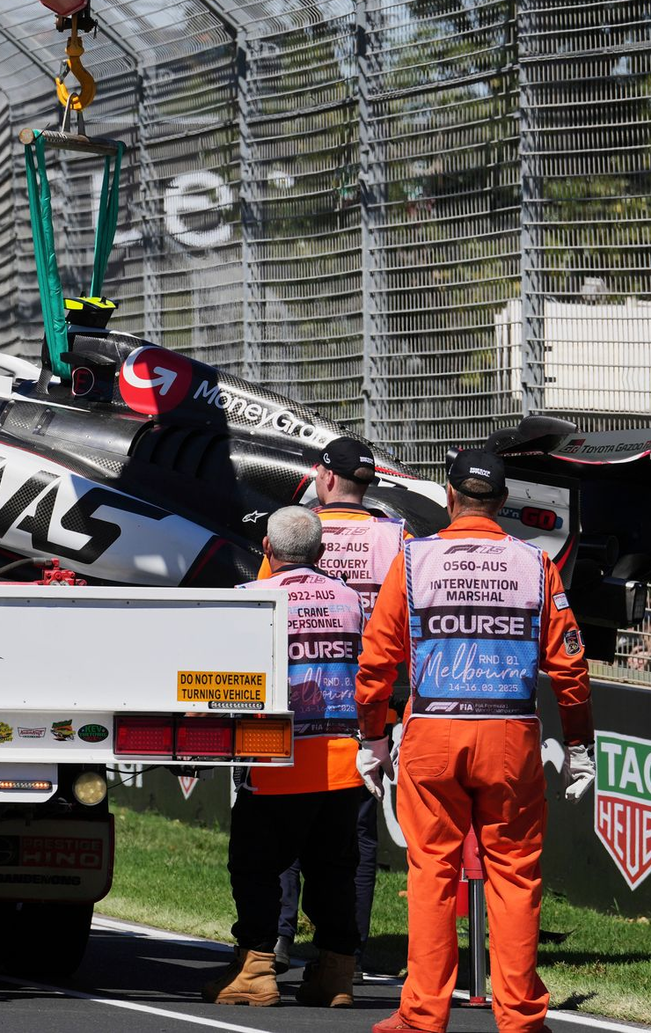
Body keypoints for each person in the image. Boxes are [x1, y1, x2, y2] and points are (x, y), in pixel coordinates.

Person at [355, 448, 595, 1033]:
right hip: (510, 732)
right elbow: (570, 667)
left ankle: (421, 1015)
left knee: (431, 871)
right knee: (515, 874)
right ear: (505, 503)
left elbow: (376, 661)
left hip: (432, 730)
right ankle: (519, 1018)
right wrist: (581, 747)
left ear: (448, 495)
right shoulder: (535, 563)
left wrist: (372, 738)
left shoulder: (414, 560)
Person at [203, 506, 365, 1008]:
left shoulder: (251, 598)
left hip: (272, 755)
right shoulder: (351, 598)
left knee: (254, 865)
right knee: (335, 869)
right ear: (320, 552)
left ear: (267, 551)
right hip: (341, 757)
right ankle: (336, 974)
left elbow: (222, 675)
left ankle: (255, 969)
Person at [261, 436, 407, 976]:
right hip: (362, 707)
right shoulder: (395, 537)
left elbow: (265, 611)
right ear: (368, 484)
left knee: (280, 826)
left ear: (325, 478)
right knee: (355, 837)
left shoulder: (287, 530)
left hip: (288, 702)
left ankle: (274, 938)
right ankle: (349, 949)